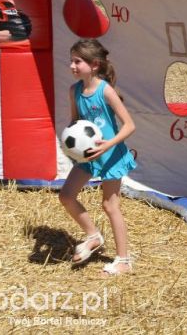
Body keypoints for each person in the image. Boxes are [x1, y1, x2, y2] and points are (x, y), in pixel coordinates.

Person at [59, 39, 136, 276]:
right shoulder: (74, 91)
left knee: (109, 206)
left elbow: (130, 126)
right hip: (88, 157)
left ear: (94, 65)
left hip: (111, 155)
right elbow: (76, 122)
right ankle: (93, 236)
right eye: (71, 60)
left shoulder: (106, 91)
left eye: (77, 61)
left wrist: (107, 145)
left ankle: (123, 260)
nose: (72, 66)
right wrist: (70, 140)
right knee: (66, 196)